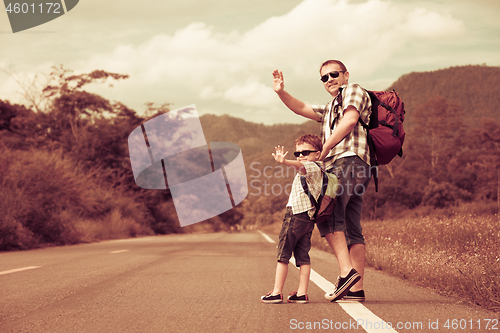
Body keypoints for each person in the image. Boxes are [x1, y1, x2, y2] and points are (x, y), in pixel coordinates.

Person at [272, 60, 372, 302]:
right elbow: (301, 108)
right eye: (324, 77)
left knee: (327, 213)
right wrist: (281, 92)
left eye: (334, 74)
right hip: (354, 166)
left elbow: (349, 121)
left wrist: (326, 146)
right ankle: (355, 289)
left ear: (346, 75)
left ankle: (347, 273)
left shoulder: (354, 90)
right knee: (351, 226)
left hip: (346, 162)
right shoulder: (329, 108)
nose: (329, 80)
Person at [261, 134, 324, 304]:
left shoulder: (313, 167)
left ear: (318, 153)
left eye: (306, 152)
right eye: (298, 153)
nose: (301, 156)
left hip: (296, 215)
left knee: (283, 254)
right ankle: (302, 293)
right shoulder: (318, 168)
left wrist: (285, 161)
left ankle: (276, 292)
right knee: (303, 256)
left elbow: (301, 166)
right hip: (308, 218)